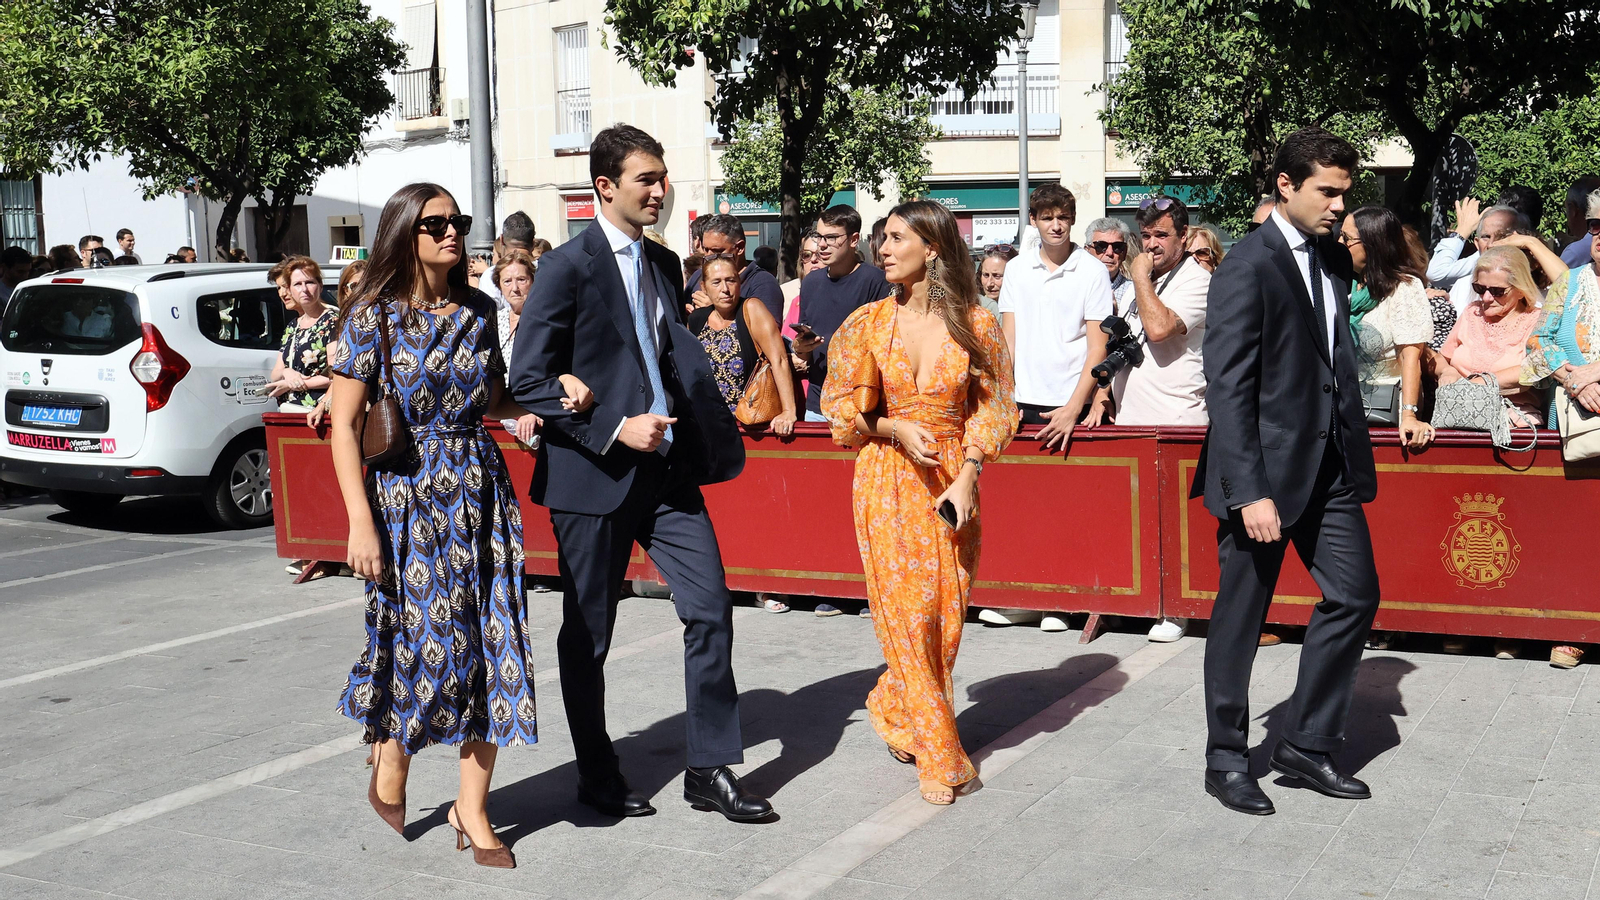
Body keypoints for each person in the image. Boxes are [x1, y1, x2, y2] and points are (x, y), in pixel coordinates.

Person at [508, 124, 774, 823]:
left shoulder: (661, 262)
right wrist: (611, 427)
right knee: (589, 635)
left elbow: (657, 356)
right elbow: (526, 378)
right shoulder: (566, 266)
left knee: (711, 606)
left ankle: (708, 768)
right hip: (591, 476)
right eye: (645, 180)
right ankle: (596, 770)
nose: (660, 190)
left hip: (664, 473)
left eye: (662, 177)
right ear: (606, 185)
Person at [327, 183, 546, 868]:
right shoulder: (373, 316)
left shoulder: (481, 310)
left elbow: (495, 396)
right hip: (405, 501)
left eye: (460, 221)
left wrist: (545, 396)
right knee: (429, 648)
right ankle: (391, 751)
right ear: (405, 232)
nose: (453, 233)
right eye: (436, 224)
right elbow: (342, 426)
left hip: (479, 494)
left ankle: (471, 807)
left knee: (493, 646)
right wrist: (359, 522)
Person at [1195, 127, 1380, 816]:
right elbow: (1228, 386)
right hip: (1262, 478)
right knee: (1242, 618)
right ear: (1285, 185)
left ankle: (1305, 744)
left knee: (1356, 596)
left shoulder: (1332, 259)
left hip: (1328, 467)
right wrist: (1250, 491)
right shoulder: (1248, 264)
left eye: (1344, 193)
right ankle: (1224, 757)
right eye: (1327, 192)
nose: (1339, 206)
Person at [821, 199, 1018, 805]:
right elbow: (840, 414)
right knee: (906, 618)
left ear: (932, 248)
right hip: (886, 480)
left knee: (944, 624)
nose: (883, 248)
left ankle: (892, 700)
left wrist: (971, 472)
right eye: (881, 238)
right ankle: (941, 756)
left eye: (896, 238)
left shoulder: (975, 323)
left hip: (954, 479)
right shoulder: (867, 324)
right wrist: (893, 429)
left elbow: (997, 406)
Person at [998, 183, 1114, 449]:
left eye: (1062, 217)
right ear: (1033, 220)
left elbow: (1098, 347)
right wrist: (1003, 398)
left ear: (1072, 219)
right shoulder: (1016, 269)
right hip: (1023, 401)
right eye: (1047, 218)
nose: (1056, 225)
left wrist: (1074, 408)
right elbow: (1008, 342)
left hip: (1075, 403)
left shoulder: (1093, 271)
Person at [793, 205, 895, 423]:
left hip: (861, 406)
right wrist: (800, 348)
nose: (822, 245)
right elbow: (804, 348)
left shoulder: (876, 281)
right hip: (817, 404)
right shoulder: (811, 282)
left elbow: (882, 346)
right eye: (819, 236)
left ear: (853, 239)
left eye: (831, 237)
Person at [1343, 206, 1434, 450]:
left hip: (1385, 408)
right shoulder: (1342, 282)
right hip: (1343, 403)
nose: (1339, 243)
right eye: (1339, 235)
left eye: (1347, 239)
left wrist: (1410, 416)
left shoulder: (1404, 288)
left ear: (1373, 245)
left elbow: (1410, 357)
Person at [1436, 246, 1544, 427]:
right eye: (1479, 288)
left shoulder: (1536, 320)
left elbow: (1533, 369)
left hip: (1513, 420)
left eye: (1497, 291)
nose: (1486, 298)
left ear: (1520, 290)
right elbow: (1441, 357)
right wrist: (1446, 371)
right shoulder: (1472, 312)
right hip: (1457, 416)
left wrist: (1476, 385)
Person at [689, 256, 798, 431]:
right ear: (704, 287)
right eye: (716, 282)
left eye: (731, 280)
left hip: (746, 424)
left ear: (739, 282)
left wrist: (788, 411)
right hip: (707, 424)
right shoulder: (697, 319)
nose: (725, 289)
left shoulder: (752, 309)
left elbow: (779, 360)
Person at [685, 214, 785, 323]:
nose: (708, 257)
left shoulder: (763, 283)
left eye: (717, 251)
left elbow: (767, 334)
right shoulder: (698, 276)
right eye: (706, 249)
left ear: (740, 248)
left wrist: (715, 310)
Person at [267, 257, 336, 412]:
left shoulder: (333, 321)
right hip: (289, 410)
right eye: (297, 284)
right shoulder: (293, 326)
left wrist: (294, 383)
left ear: (320, 285)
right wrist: (287, 372)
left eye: (309, 283)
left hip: (318, 411)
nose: (304, 289)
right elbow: (275, 373)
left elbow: (337, 374)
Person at [492, 249, 536, 383]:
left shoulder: (543, 320)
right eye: (507, 281)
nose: (515, 288)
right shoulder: (494, 320)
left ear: (533, 281)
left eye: (521, 280)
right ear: (499, 285)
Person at [1084, 219, 1137, 313]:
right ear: (1087, 251)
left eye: (1117, 247)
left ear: (1124, 253)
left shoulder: (1135, 293)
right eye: (1101, 246)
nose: (1109, 253)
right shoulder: (1073, 287)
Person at [976, 244, 1017, 321]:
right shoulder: (975, 307)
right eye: (986, 275)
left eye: (997, 276)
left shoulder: (1025, 310)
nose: (989, 284)